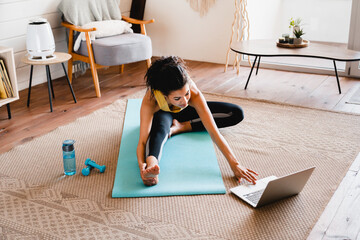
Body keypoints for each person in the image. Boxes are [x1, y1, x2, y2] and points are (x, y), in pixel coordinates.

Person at [137, 56, 258, 186]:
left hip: (186, 113)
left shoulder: (192, 95)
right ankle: (152, 165)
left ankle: (182, 127)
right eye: (177, 98)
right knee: (160, 130)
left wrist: (235, 164)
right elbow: (143, 140)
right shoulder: (151, 100)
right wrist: (141, 166)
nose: (184, 101)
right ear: (164, 95)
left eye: (186, 93)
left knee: (236, 113)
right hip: (164, 115)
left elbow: (213, 132)